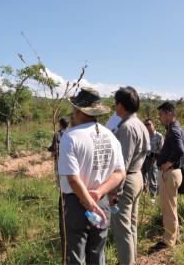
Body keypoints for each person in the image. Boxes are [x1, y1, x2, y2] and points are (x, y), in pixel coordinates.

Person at [58, 87, 126, 265]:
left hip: (75, 203)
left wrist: (88, 201)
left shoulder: (70, 137)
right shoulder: (111, 136)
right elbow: (120, 173)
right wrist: (97, 194)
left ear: (79, 111)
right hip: (101, 201)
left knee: (75, 256)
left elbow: (73, 179)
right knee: (97, 253)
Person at [109, 86, 151, 264]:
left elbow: (123, 164)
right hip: (137, 177)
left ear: (121, 105)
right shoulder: (140, 124)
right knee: (131, 226)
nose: (115, 106)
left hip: (126, 182)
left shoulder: (126, 127)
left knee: (122, 229)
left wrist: (114, 191)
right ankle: (131, 260)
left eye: (115, 103)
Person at [150, 102, 184, 251]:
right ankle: (174, 235)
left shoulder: (174, 130)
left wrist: (168, 163)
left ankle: (168, 239)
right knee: (171, 206)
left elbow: (180, 149)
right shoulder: (174, 129)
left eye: (161, 114)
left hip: (170, 173)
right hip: (173, 173)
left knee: (168, 207)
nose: (160, 118)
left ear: (169, 114)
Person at [141, 119, 164, 202]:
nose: (147, 126)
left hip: (152, 160)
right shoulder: (143, 135)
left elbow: (162, 149)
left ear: (153, 125)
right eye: (145, 125)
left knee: (153, 179)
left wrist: (155, 155)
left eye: (148, 124)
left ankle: (152, 197)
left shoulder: (159, 136)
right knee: (142, 178)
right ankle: (143, 196)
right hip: (143, 158)